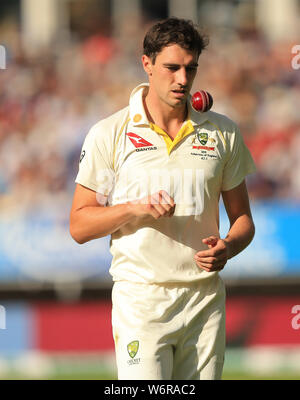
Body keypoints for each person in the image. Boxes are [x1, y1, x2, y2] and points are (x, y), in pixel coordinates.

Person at [70, 17, 256, 380]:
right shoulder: (110, 133)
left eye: (191, 69)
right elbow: (79, 225)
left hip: (205, 304)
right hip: (142, 300)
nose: (183, 80)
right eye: (172, 68)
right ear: (147, 63)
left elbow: (244, 220)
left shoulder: (222, 131)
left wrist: (229, 247)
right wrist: (135, 208)